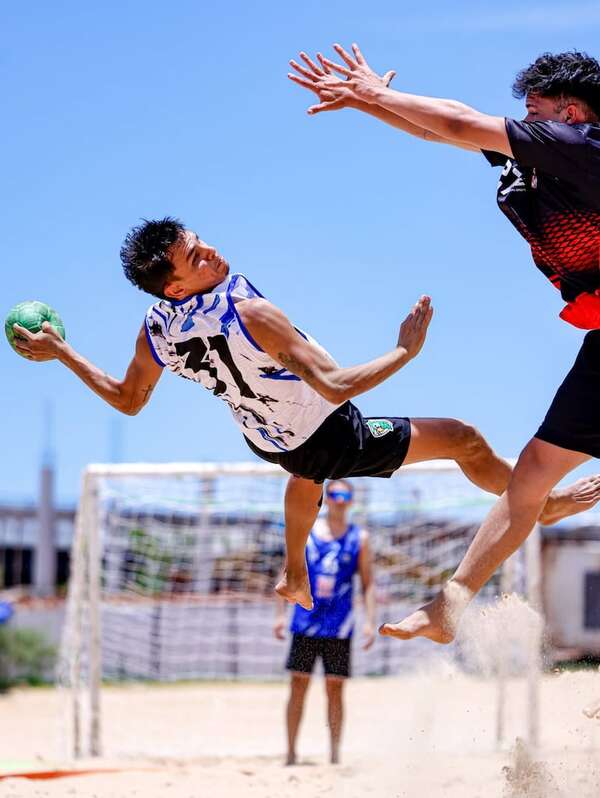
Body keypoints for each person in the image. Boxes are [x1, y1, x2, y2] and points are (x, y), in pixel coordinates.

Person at [12, 218, 599, 614]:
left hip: (266, 436)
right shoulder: (251, 313)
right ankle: (542, 507)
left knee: (304, 474)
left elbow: (128, 399)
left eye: (200, 241)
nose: (210, 251)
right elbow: (337, 386)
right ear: (174, 285)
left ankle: (294, 571)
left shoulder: (156, 328)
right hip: (328, 430)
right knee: (463, 439)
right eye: (195, 257)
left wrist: (63, 352)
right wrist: (404, 350)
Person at [289, 45, 600, 639]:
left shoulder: (583, 146)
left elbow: (460, 122)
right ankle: (448, 607)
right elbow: (444, 129)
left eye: (535, 106)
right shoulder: (540, 154)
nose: (524, 116)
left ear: (572, 111)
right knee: (532, 473)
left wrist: (374, 94)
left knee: (533, 472)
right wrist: (366, 101)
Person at [274, 478, 375, 765]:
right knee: (298, 686)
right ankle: (291, 753)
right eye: (334, 494)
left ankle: (334, 754)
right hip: (305, 621)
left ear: (351, 501)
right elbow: (287, 572)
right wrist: (279, 615)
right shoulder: (307, 532)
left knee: (335, 689)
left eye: (345, 495)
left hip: (340, 625)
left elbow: (368, 583)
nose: (339, 500)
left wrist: (370, 621)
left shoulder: (359, 538)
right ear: (326, 498)